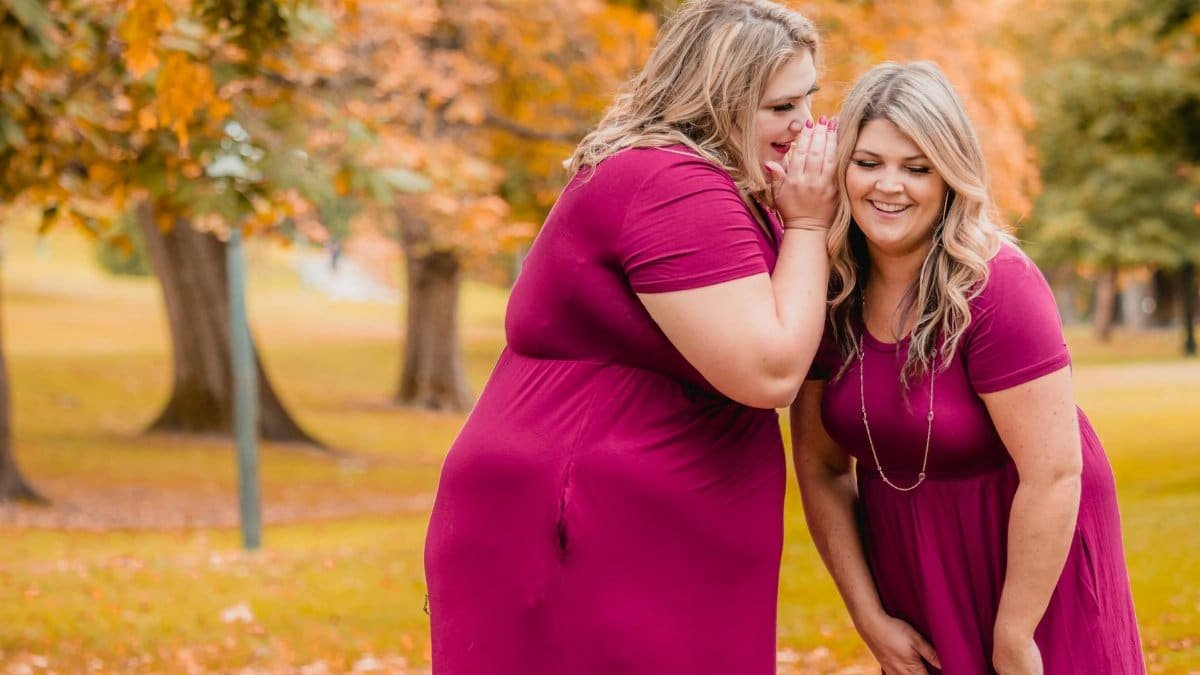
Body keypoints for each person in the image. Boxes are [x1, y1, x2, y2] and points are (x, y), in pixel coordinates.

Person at [424, 0, 838, 672]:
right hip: (587, 526)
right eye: (780, 108)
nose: (805, 125)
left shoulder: (723, 186)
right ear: (717, 101)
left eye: (808, 100)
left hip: (658, 533)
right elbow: (768, 371)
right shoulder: (669, 185)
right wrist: (811, 225)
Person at [792, 61, 1145, 674]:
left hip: (1032, 566)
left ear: (950, 174)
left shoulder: (999, 285)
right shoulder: (829, 291)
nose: (889, 186)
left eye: (917, 167)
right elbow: (821, 468)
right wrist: (869, 618)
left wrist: (1014, 634)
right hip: (912, 567)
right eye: (868, 162)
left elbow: (1055, 472)